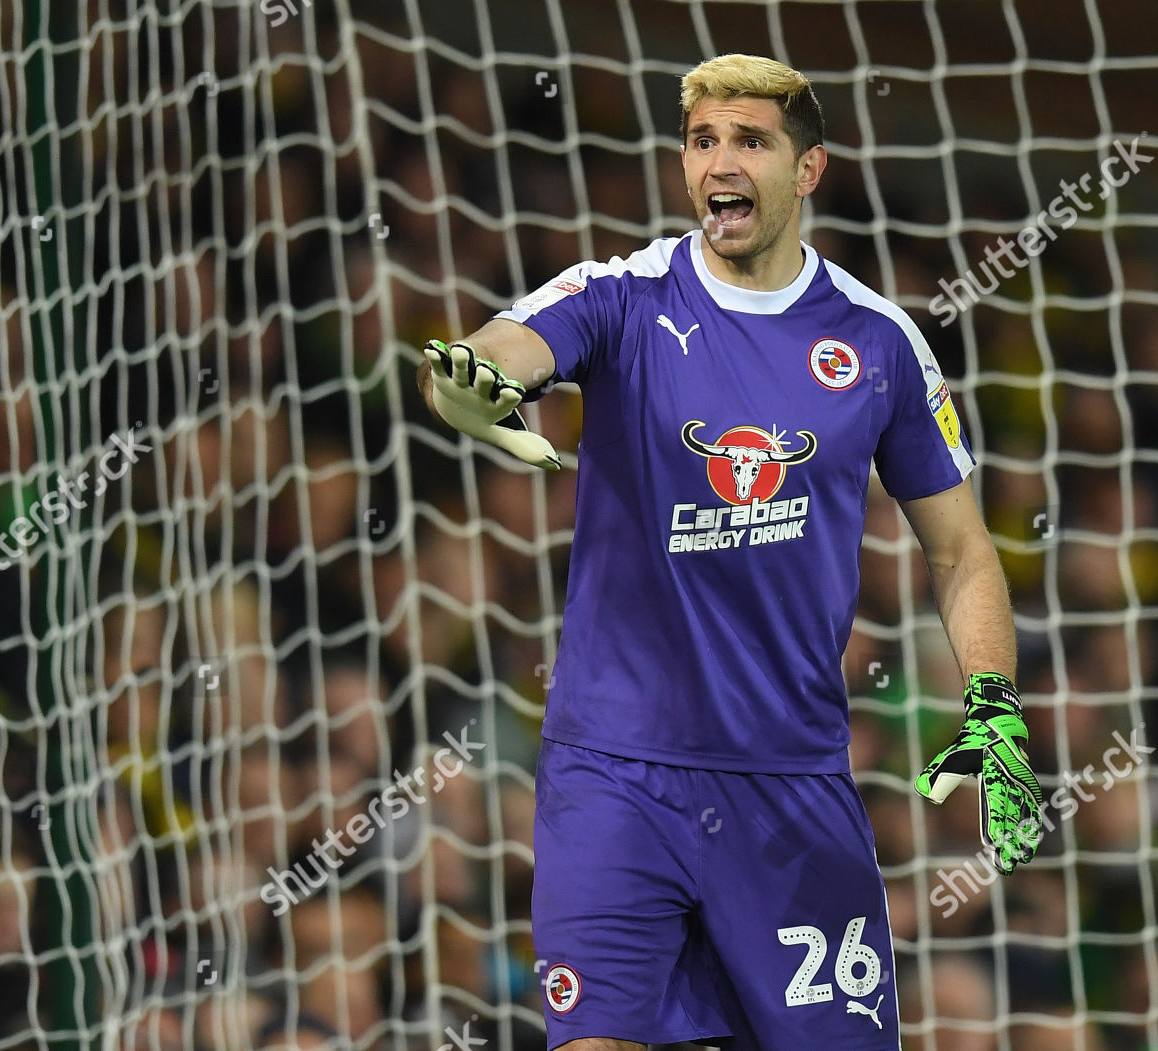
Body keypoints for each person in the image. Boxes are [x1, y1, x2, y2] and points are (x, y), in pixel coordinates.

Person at [417, 53, 1044, 1051]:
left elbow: (961, 547)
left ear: (809, 168)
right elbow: (500, 351)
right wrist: (471, 383)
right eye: (703, 140)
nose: (721, 162)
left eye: (750, 141)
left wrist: (995, 703)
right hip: (615, 769)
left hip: (789, 781)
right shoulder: (620, 297)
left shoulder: (878, 343)